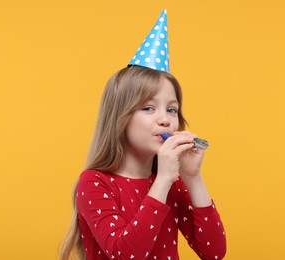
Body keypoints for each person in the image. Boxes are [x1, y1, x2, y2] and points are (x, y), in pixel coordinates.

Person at [60, 10, 226, 260]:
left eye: (172, 109)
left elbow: (213, 252)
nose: (165, 119)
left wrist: (192, 177)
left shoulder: (173, 182)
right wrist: (163, 181)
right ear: (120, 118)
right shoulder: (94, 183)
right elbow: (126, 254)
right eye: (148, 108)